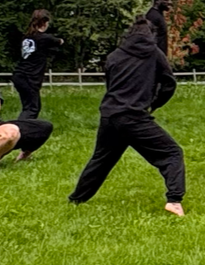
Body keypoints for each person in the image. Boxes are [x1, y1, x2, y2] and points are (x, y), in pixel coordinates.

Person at [69, 16, 186, 215]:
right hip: (134, 117)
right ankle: (174, 201)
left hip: (110, 116)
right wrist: (154, 103)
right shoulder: (154, 53)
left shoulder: (114, 55)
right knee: (172, 153)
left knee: (101, 159)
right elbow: (169, 84)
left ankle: (76, 199)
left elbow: (111, 85)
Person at [5, 11, 64, 120]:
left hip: (19, 75)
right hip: (29, 77)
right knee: (32, 109)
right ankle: (18, 129)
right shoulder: (45, 38)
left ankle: (24, 128)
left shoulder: (26, 37)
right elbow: (59, 41)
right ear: (44, 23)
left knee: (30, 107)